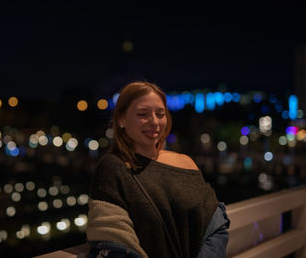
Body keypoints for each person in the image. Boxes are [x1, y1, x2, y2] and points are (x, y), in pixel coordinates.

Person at [86, 81, 230, 258]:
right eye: (142, 114)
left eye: (160, 114)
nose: (154, 122)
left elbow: (215, 224)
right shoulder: (114, 167)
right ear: (121, 119)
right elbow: (114, 240)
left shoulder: (186, 163)